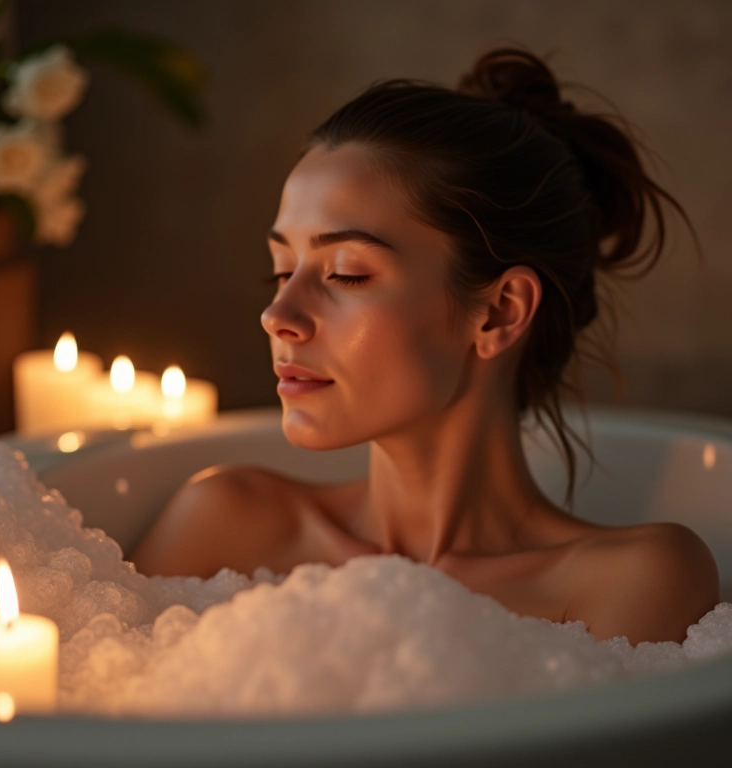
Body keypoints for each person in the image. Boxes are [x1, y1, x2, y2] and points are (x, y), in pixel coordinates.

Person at [130, 48, 719, 645]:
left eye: (347, 273)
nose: (276, 316)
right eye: (282, 271)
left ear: (499, 312)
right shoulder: (223, 525)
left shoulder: (629, 582)